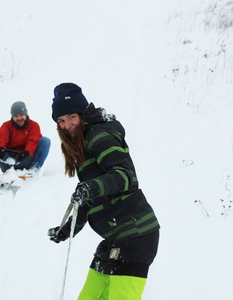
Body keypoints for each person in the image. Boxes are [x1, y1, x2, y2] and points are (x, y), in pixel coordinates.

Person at [47, 83, 160, 299]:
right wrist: (67, 228)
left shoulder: (99, 135)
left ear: (81, 113)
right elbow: (91, 198)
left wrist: (90, 187)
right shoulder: (83, 142)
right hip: (113, 239)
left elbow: (125, 175)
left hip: (136, 235)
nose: (67, 125)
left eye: (71, 117)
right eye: (61, 121)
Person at [0, 101, 50, 181]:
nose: (19, 118)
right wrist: (0, 149)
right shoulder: (6, 125)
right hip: (8, 161)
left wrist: (27, 152)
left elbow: (33, 140)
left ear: (26, 114)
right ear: (12, 117)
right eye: (16, 116)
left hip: (26, 159)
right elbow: (2, 137)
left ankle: (34, 169)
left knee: (45, 141)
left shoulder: (33, 125)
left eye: (21, 115)